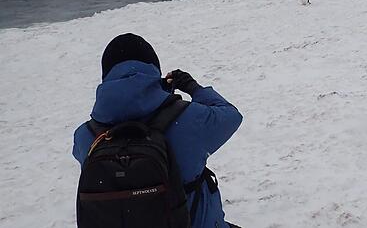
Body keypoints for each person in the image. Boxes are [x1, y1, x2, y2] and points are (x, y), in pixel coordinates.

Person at [73, 33, 243, 228]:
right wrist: (191, 87)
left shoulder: (85, 136)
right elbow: (231, 115)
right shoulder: (189, 119)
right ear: (154, 69)